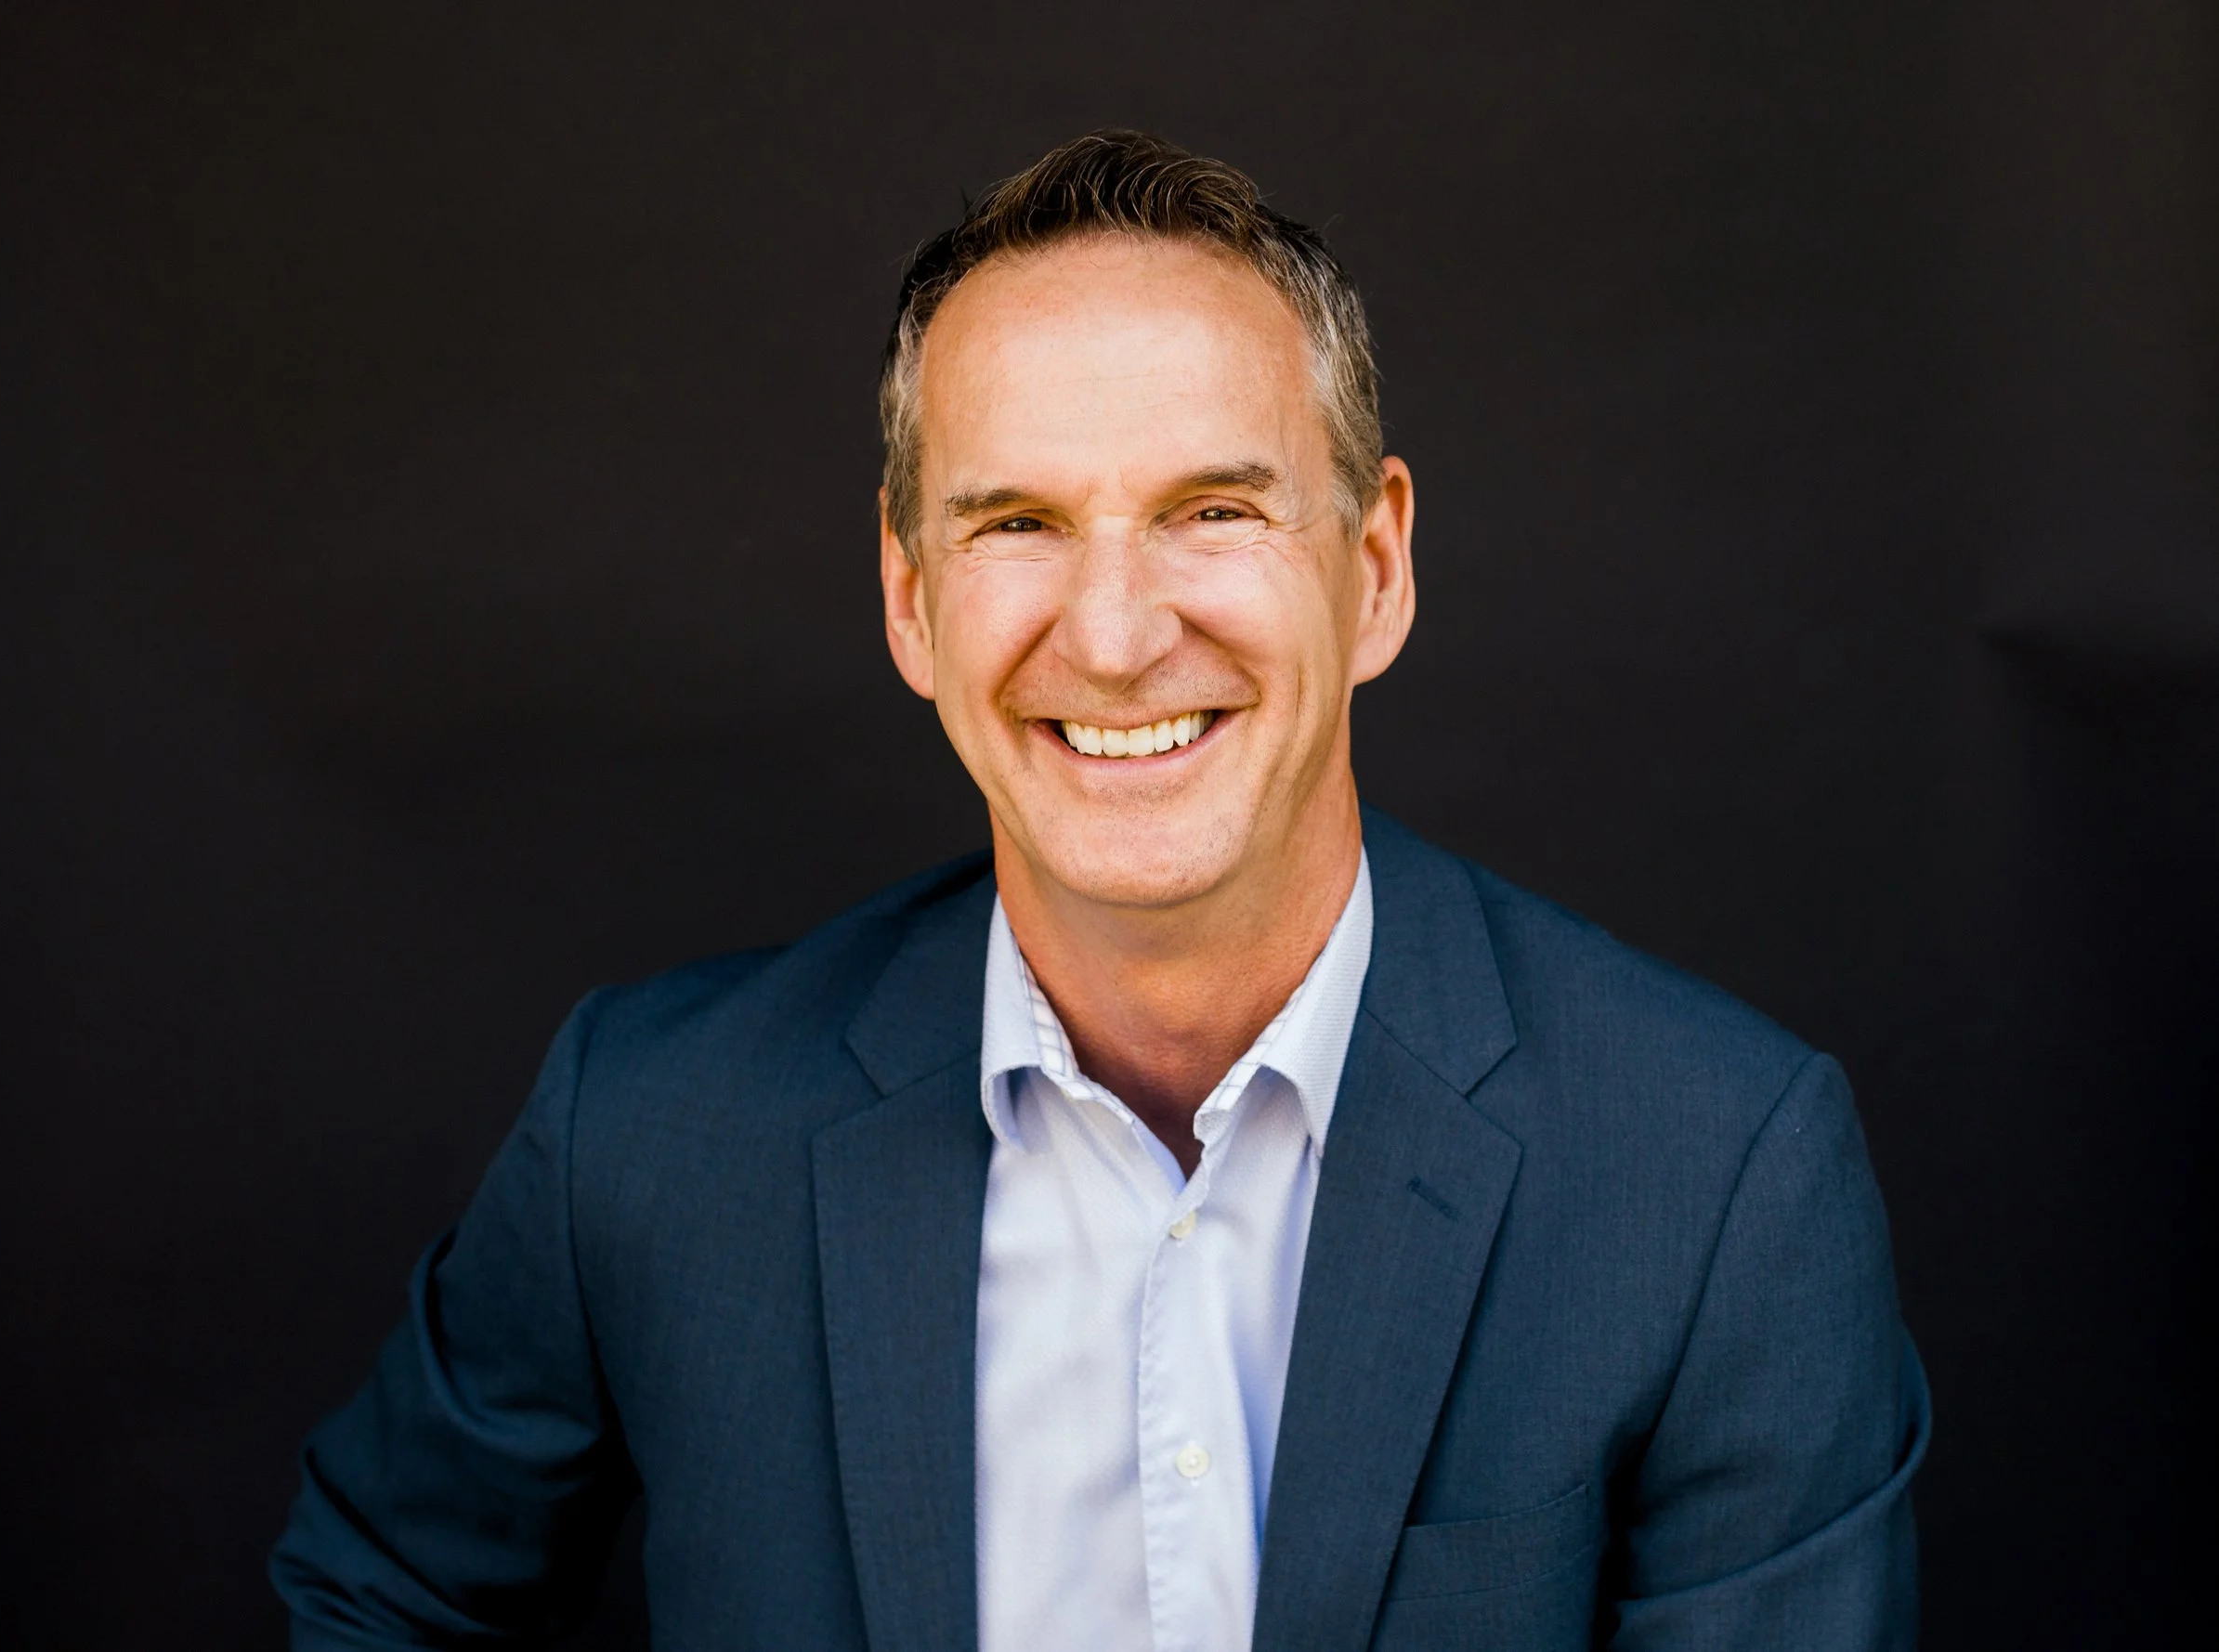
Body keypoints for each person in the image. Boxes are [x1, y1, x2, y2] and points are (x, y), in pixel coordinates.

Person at [271, 130, 1926, 1651]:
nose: (1117, 632)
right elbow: (377, 1595)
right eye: (1019, 525)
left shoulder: (1717, 1179)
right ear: (912, 601)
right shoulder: (647, 1135)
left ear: (1374, 569)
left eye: (1212, 510)